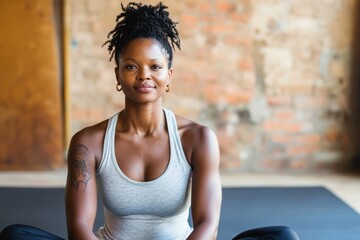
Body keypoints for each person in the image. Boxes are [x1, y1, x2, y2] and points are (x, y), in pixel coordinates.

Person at [0, 2, 299, 240]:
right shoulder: (88, 143)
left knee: (283, 237)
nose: (144, 75)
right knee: (15, 235)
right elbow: (79, 228)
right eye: (131, 66)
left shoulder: (197, 139)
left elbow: (207, 225)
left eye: (155, 66)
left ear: (169, 76)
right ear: (118, 75)